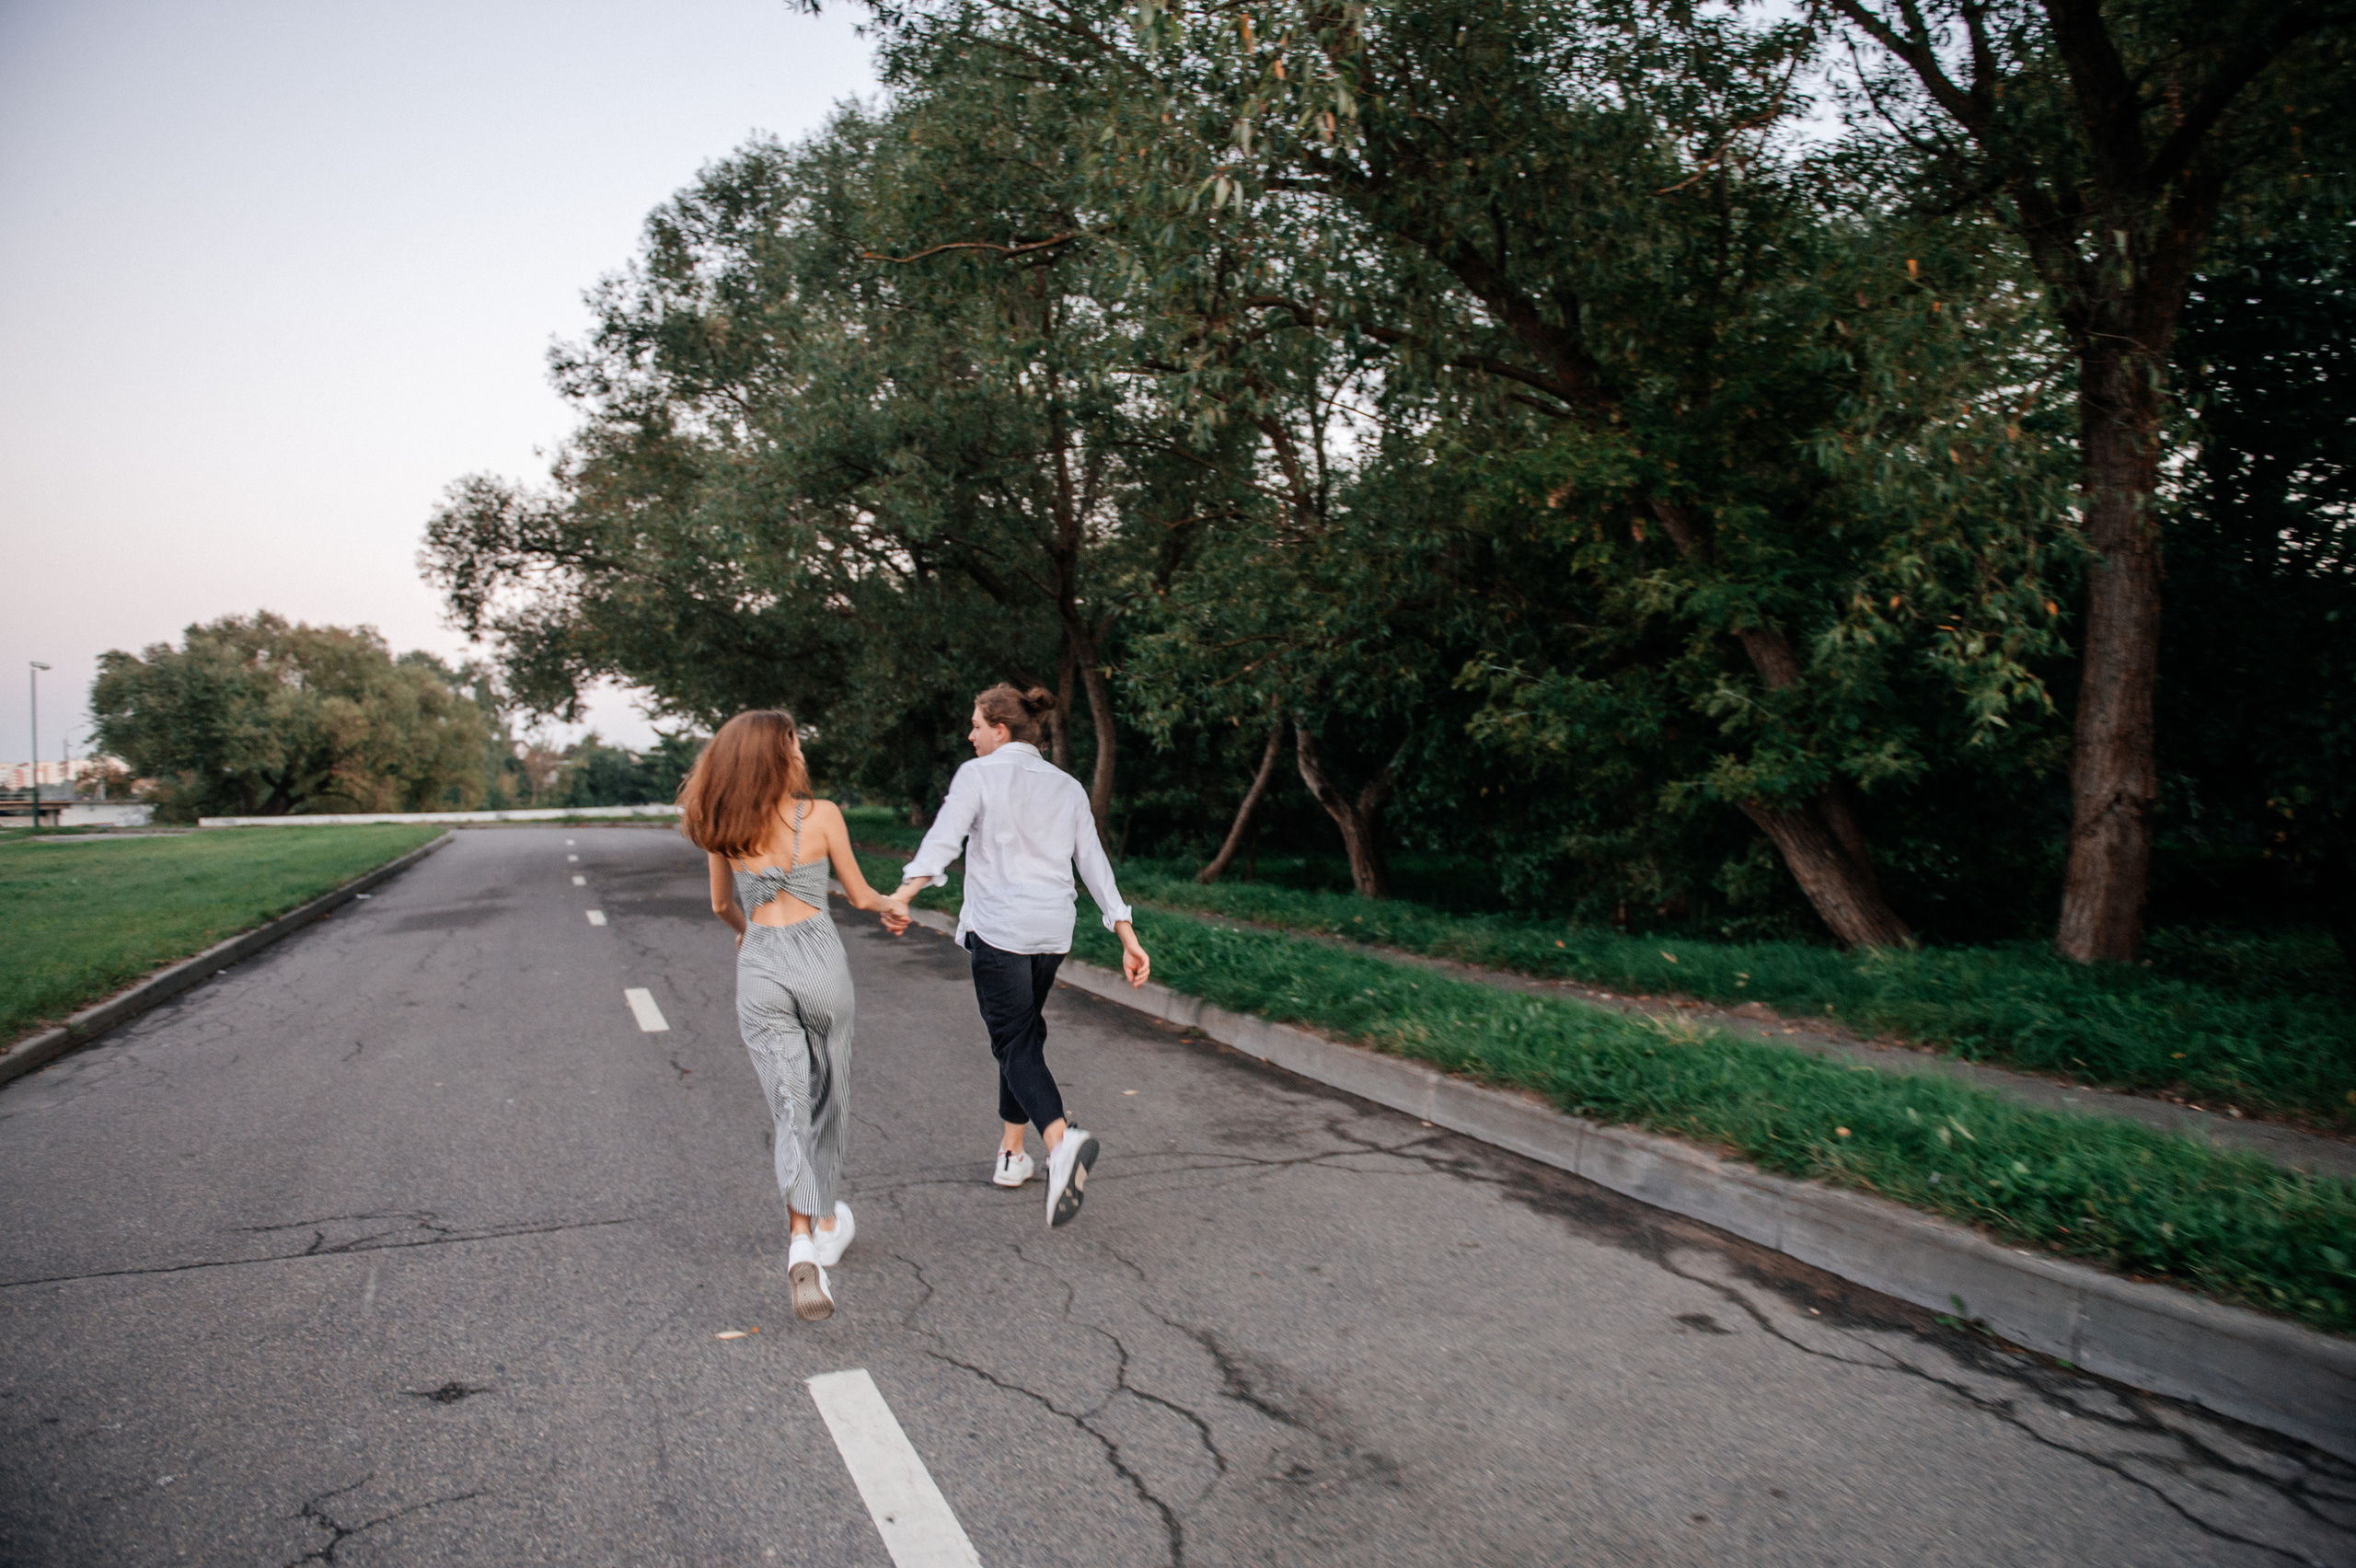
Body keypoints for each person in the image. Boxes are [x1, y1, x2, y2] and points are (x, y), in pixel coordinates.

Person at [884, 685, 1151, 1228]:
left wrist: (905, 894)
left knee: (1012, 1040)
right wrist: (1126, 933)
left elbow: (943, 840)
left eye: (977, 725)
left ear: (1000, 730)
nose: (971, 734)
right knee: (1024, 1035)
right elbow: (1094, 864)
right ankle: (1011, 1154)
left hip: (1001, 929)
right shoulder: (1067, 785)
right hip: (1052, 930)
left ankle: (1060, 1142)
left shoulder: (976, 775)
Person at [681, 710, 909, 1322]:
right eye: (795, 744)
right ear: (781, 755)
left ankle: (805, 1237)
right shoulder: (823, 815)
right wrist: (894, 905)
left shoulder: (722, 825)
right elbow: (860, 897)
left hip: (761, 965)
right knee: (827, 1096)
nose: (801, 752)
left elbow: (720, 904)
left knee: (789, 1104)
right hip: (820, 966)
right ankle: (827, 1220)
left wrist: (746, 934)